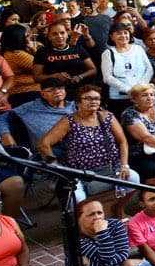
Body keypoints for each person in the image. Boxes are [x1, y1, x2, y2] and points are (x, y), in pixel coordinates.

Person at [38, 83, 140, 214]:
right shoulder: (69, 121)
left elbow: (122, 142)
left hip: (110, 168)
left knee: (134, 179)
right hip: (80, 173)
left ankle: (118, 209)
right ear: (78, 103)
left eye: (96, 98)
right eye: (88, 98)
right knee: (76, 198)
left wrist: (124, 165)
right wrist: (54, 164)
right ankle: (83, 224)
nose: (93, 102)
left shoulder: (106, 116)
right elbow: (43, 143)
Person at [101, 22, 152, 115]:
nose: (123, 35)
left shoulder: (138, 49)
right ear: (112, 37)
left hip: (141, 97)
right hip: (119, 99)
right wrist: (128, 90)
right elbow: (107, 77)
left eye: (125, 32)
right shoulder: (108, 53)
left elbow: (149, 69)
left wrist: (140, 88)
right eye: (119, 33)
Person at [33, 20, 96, 86]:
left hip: (80, 88)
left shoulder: (78, 49)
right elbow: (37, 77)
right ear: (49, 37)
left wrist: (80, 77)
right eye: (55, 34)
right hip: (56, 89)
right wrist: (55, 76)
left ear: (67, 34)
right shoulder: (42, 52)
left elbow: (93, 70)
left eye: (62, 33)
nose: (59, 36)